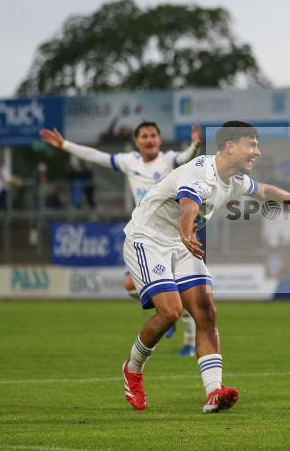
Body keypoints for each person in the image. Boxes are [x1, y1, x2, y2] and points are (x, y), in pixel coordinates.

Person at [120, 121, 290, 412]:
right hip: (148, 239)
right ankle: (133, 368)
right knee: (171, 312)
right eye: (251, 145)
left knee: (206, 313)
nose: (257, 152)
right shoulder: (200, 173)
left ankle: (214, 392)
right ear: (230, 146)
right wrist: (187, 233)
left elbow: (264, 190)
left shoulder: (234, 179)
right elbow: (188, 206)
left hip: (182, 243)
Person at [40, 121, 203, 356]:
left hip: (172, 233)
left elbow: (186, 157)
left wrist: (195, 145)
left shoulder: (169, 160)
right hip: (145, 234)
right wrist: (64, 144)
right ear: (136, 142)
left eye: (153, 135)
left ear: (159, 139)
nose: (149, 139)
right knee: (130, 284)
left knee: (183, 290)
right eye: (144, 136)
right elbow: (96, 156)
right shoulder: (129, 162)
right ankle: (166, 310)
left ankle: (189, 340)